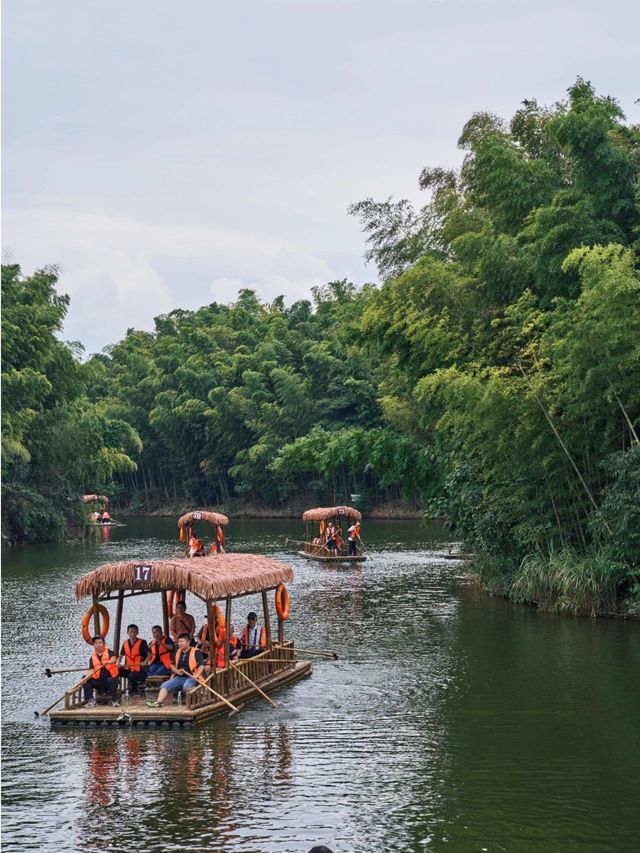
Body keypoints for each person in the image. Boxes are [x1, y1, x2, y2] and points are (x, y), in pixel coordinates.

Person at [145, 633, 204, 708]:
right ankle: (159, 702)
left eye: (182, 642)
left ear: (188, 642)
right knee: (165, 685)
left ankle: (195, 699)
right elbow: (171, 665)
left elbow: (201, 666)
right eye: (179, 642)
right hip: (179, 677)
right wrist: (177, 671)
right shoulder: (178, 652)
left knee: (187, 686)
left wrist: (196, 675)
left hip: (191, 677)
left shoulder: (196, 652)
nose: (180, 644)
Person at [84, 635, 120, 707]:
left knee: (111, 680)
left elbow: (114, 659)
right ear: (94, 645)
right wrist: (85, 678)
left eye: (100, 643)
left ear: (104, 644)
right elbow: (90, 670)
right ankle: (91, 701)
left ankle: (114, 701)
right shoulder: (92, 657)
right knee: (86, 679)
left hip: (110, 681)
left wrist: (108, 662)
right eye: (96, 643)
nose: (98, 645)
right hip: (99, 682)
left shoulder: (110, 652)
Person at [118, 624, 150, 696]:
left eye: (134, 632)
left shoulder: (142, 642)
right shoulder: (125, 643)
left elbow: (149, 655)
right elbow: (120, 656)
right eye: (131, 632)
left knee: (132, 675)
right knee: (115, 670)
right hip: (129, 669)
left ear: (137, 633)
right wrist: (118, 663)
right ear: (128, 633)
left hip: (141, 671)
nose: (132, 634)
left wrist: (145, 662)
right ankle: (116, 688)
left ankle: (135, 691)